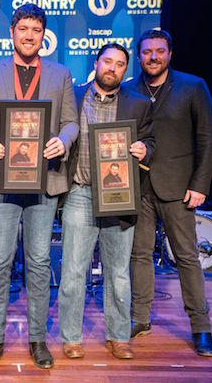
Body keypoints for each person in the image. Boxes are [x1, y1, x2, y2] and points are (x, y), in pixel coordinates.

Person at [0, 3, 79, 369]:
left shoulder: (61, 74)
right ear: (12, 33)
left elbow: (70, 122)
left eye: (36, 29)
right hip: (2, 179)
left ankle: (37, 340)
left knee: (40, 261)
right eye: (23, 29)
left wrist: (63, 141)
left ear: (44, 35)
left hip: (44, 180)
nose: (29, 35)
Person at [126, 29, 212, 357]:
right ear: (138, 56)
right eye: (147, 51)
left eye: (159, 51)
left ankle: (201, 327)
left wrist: (200, 184)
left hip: (179, 188)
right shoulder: (127, 90)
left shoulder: (193, 86)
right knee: (138, 256)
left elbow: (208, 138)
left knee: (186, 257)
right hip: (137, 188)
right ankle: (139, 318)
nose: (153, 57)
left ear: (170, 54)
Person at [59, 43, 154, 360]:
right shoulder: (72, 97)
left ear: (126, 69)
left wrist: (144, 149)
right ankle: (71, 337)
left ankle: (118, 336)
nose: (113, 68)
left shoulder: (139, 104)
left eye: (120, 64)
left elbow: (152, 141)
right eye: (108, 61)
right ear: (96, 63)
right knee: (73, 271)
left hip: (119, 195)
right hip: (79, 193)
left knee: (118, 272)